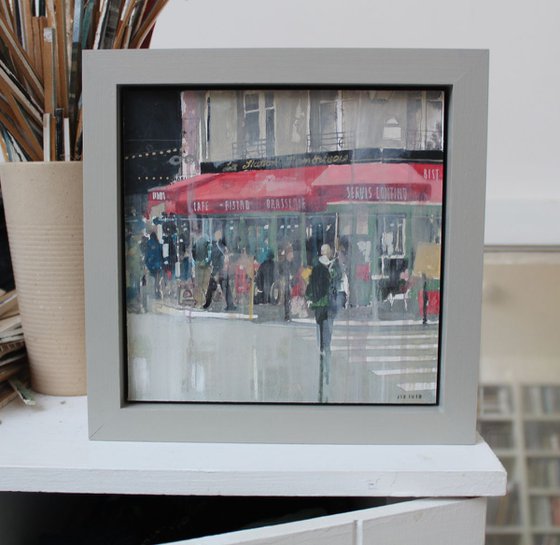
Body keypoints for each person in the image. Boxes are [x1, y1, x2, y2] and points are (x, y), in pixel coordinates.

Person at [203, 230, 236, 311]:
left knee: (212, 287)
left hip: (219, 271)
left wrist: (215, 270)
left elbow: (217, 258)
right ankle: (230, 305)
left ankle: (207, 305)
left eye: (217, 235)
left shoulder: (218, 246)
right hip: (221, 270)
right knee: (223, 287)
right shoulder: (219, 245)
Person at [192, 232, 212, 308]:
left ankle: (200, 302)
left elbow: (193, 252)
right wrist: (206, 262)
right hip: (206, 266)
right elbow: (210, 254)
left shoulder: (196, 242)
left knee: (199, 284)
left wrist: (197, 261)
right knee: (205, 284)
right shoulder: (207, 242)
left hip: (198, 264)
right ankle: (203, 301)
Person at [144, 231, 163, 299]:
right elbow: (161, 255)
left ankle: (153, 293)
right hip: (158, 265)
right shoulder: (159, 244)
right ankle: (157, 292)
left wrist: (147, 263)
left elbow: (146, 255)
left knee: (152, 280)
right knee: (157, 280)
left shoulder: (148, 244)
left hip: (151, 265)